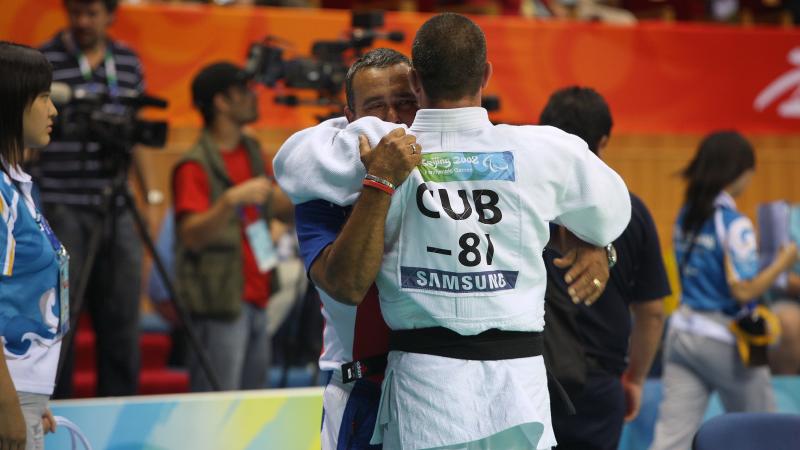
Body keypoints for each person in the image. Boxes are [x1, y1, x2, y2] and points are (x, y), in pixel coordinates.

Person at [275, 13, 630, 449]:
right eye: (376, 109)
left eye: (401, 100)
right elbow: (615, 210)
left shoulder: (372, 147)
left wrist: (590, 238)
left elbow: (290, 162)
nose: (390, 119)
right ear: (485, 75)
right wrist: (594, 231)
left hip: (429, 388)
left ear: (417, 82)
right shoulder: (542, 151)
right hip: (515, 390)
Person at [538, 86, 670, 450]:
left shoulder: (523, 201)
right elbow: (652, 313)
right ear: (605, 139)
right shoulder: (633, 210)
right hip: (597, 385)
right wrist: (636, 380)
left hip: (526, 373)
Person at [650, 131, 798, 450]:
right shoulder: (735, 224)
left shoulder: (686, 215)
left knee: (671, 440)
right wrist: (782, 262)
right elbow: (743, 292)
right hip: (724, 341)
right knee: (766, 433)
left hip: (681, 336)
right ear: (739, 172)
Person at [34, 0, 145, 398]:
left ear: (111, 14)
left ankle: (121, 414)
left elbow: (135, 138)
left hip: (117, 205)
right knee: (61, 320)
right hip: (61, 204)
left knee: (122, 323)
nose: (83, 21)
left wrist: (147, 196)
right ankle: (57, 412)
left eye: (92, 13)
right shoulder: (44, 60)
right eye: (76, 12)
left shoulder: (129, 62)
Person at [172, 61, 293, 391]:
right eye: (243, 91)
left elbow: (276, 204)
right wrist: (228, 201)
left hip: (259, 293)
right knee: (217, 405)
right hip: (220, 302)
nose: (253, 97)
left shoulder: (252, 150)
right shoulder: (194, 164)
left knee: (251, 409)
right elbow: (190, 236)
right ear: (221, 102)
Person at [0, 41, 63, 450]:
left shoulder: (17, 185)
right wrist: (8, 404)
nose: (53, 110)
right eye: (43, 96)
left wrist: (32, 394)